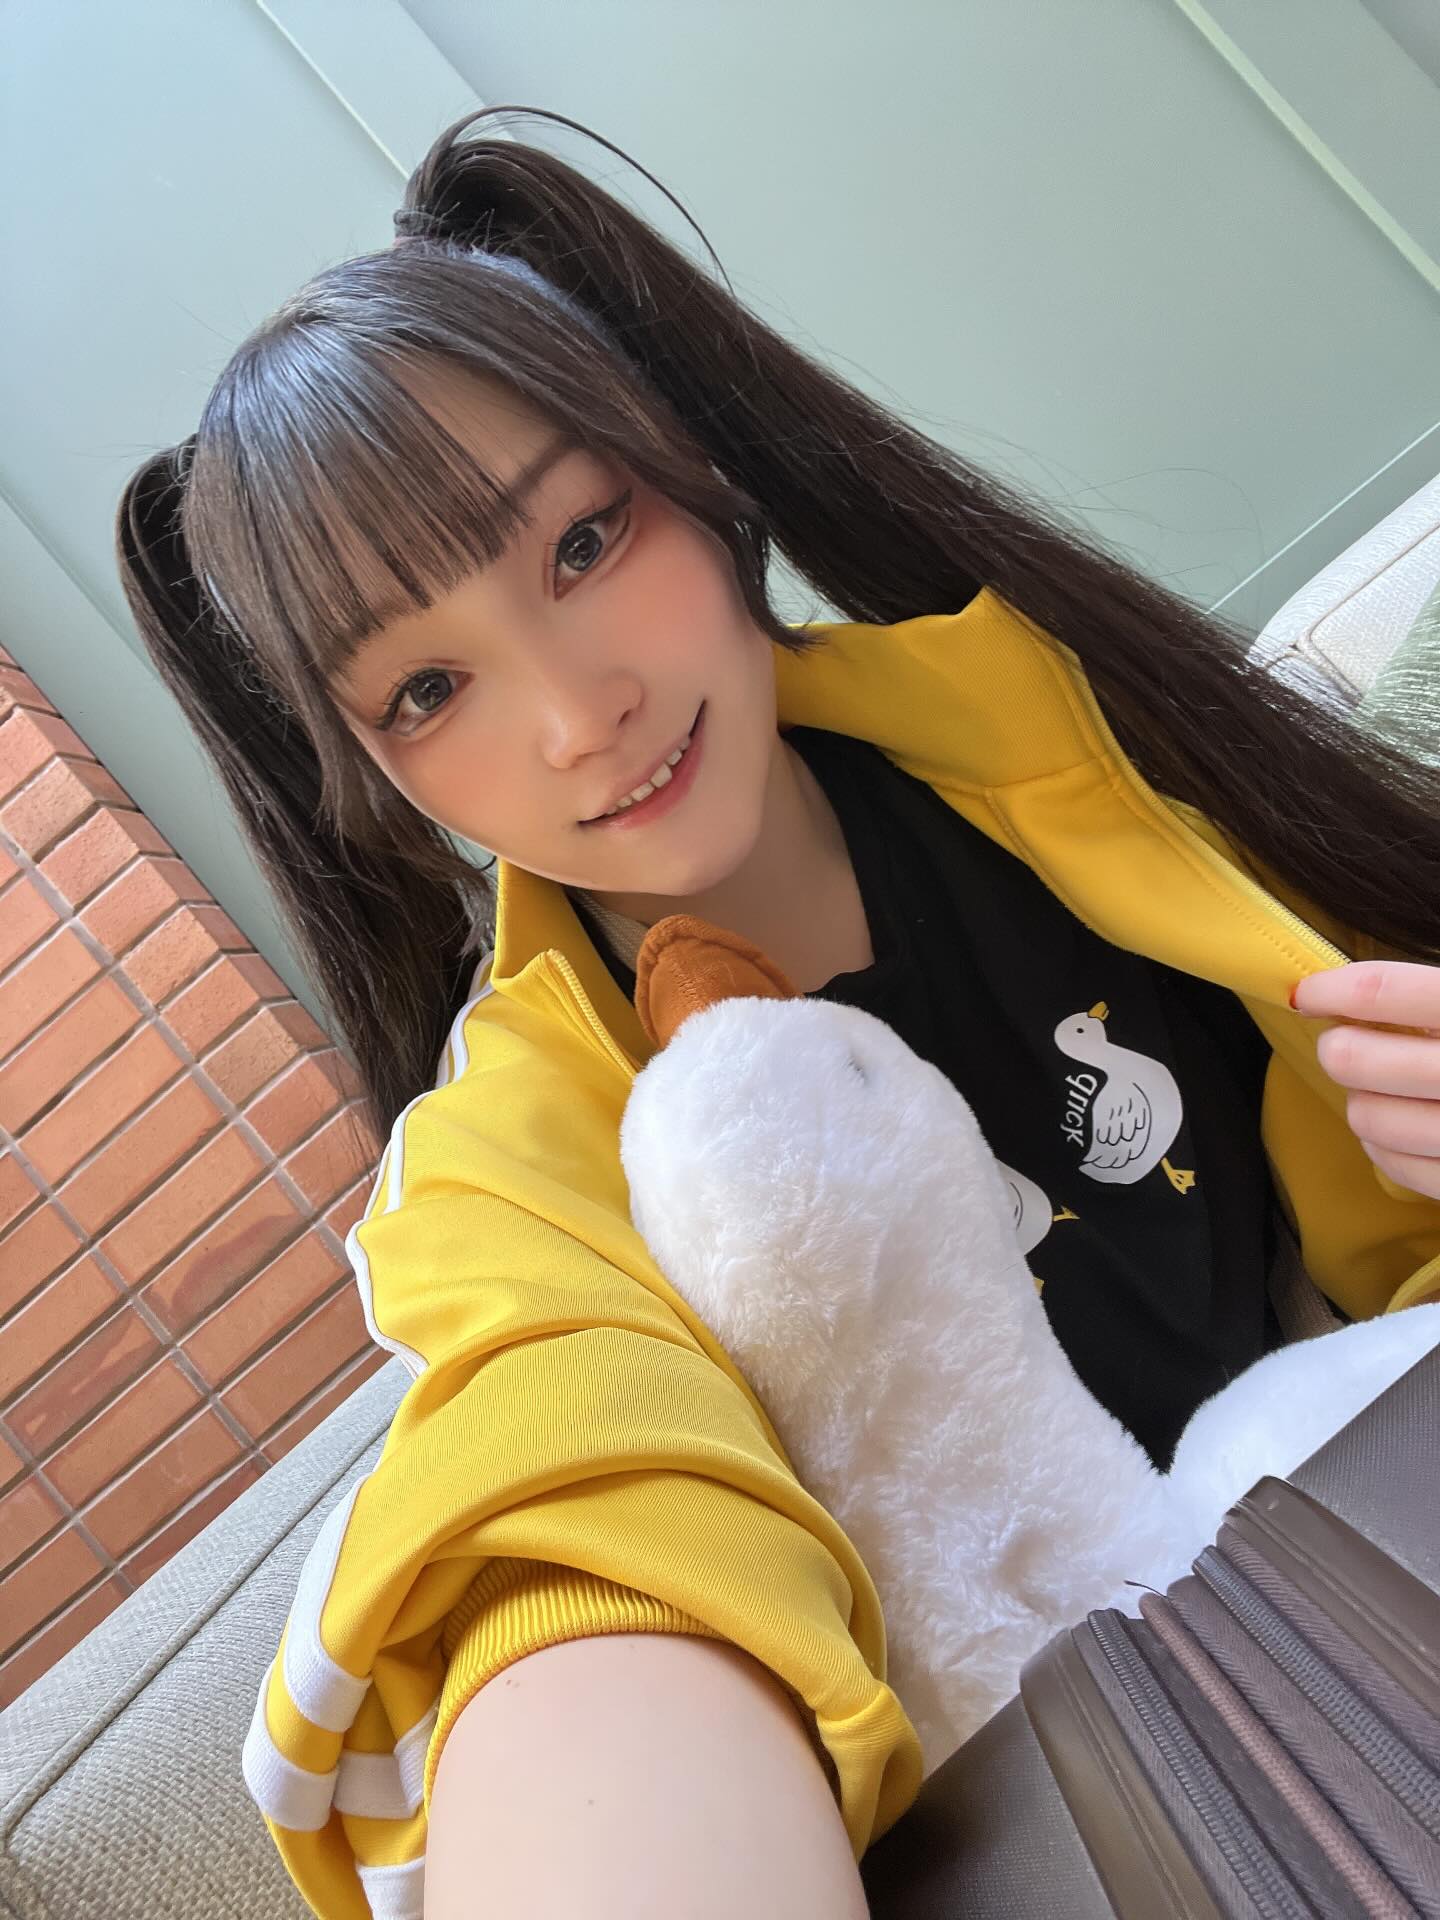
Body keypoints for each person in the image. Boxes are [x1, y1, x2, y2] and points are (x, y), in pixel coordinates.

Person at [116, 104, 1440, 1919]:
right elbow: (561, 1491)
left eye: (583, 543)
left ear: (696, 467)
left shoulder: (1051, 728)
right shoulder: (517, 1165)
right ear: (371, 777)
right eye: (427, 690)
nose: (576, 716)